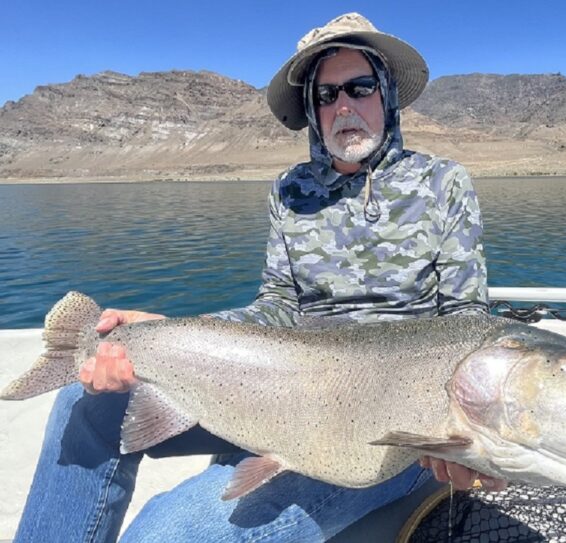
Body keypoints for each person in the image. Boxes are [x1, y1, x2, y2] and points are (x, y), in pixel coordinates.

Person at [15, 13, 502, 542]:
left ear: (385, 94)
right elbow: (275, 306)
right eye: (326, 94)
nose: (344, 106)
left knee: (165, 534)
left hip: (381, 435)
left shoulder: (442, 183)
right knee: (81, 404)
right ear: (312, 110)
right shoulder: (291, 191)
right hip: (277, 389)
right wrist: (170, 331)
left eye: (359, 88)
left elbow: (466, 325)